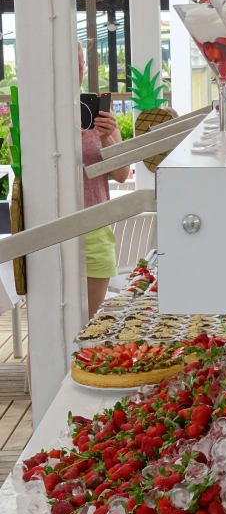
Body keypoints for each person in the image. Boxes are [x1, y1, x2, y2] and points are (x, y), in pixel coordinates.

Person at [78, 42, 130, 317]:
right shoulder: (39, 118)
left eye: (79, 63)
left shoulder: (99, 117)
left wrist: (108, 136)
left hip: (94, 228)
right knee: (48, 325)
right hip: (49, 227)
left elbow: (122, 175)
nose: (75, 69)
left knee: (90, 323)